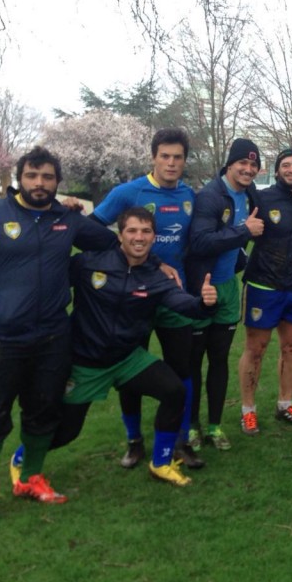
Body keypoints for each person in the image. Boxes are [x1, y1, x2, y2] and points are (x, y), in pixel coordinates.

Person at [0, 145, 119, 532]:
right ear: (19, 177)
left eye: (48, 177)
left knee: (43, 413)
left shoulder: (65, 219)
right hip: (0, 336)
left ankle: (31, 479)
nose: (40, 184)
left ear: (58, 182)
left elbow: (108, 243)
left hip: (53, 336)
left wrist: (81, 211)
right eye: (32, 175)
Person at [19, 207, 217, 488]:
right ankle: (21, 458)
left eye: (146, 231)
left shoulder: (156, 276)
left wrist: (204, 303)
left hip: (127, 359)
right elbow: (45, 270)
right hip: (85, 363)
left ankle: (160, 463)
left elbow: (182, 303)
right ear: (119, 235)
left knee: (174, 390)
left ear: (154, 237)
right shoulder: (88, 263)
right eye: (132, 231)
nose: (139, 237)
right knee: (66, 433)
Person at [91, 128, 202, 469]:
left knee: (183, 368)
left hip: (172, 297)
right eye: (165, 156)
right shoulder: (129, 192)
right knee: (131, 370)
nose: (171, 163)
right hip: (133, 297)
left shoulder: (190, 196)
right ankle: (134, 441)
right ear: (153, 157)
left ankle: (181, 440)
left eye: (177, 157)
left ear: (184, 160)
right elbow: (93, 232)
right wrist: (151, 262)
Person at [185, 138, 264, 449]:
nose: (247, 170)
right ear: (229, 164)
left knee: (219, 360)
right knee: (193, 362)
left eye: (253, 165)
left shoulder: (250, 194)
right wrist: (245, 232)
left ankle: (215, 427)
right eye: (242, 163)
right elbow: (202, 241)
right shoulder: (209, 196)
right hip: (201, 288)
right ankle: (191, 426)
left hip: (229, 289)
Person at [237, 148, 292, 431]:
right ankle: (248, 409)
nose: (291, 170)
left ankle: (285, 404)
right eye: (286, 165)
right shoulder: (260, 197)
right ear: (276, 170)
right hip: (263, 284)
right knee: (256, 349)